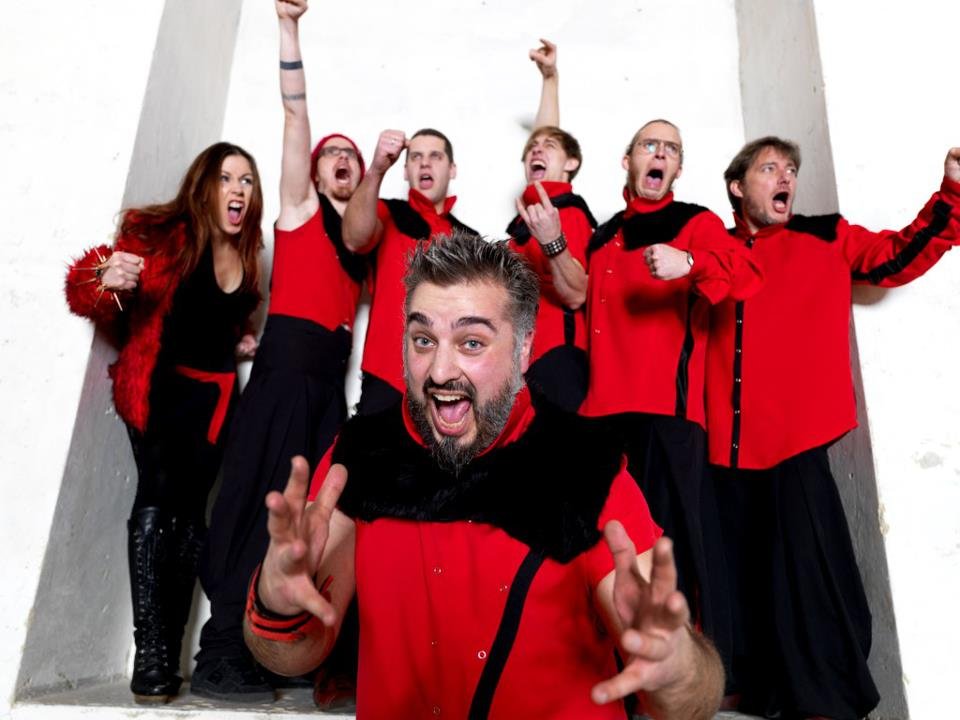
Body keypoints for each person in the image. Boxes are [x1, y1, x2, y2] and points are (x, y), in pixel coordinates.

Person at [243, 232, 724, 719]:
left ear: (523, 349)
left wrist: (675, 667)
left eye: (471, 342)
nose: (440, 372)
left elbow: (688, 704)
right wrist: (276, 602)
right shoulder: (360, 456)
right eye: (423, 340)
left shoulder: (587, 465)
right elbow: (290, 654)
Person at [706, 136, 960, 719]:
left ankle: (828, 700)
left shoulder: (825, 236)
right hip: (722, 444)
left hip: (795, 438)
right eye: (769, 167)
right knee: (740, 576)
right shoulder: (710, 248)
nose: (785, 177)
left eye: (790, 169)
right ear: (737, 187)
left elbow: (895, 257)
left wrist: (951, 194)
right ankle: (754, 687)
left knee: (813, 579)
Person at [190, 0, 366, 703]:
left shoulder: (360, 245)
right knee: (251, 502)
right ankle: (219, 652)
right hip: (285, 376)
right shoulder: (298, 210)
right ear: (315, 175)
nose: (341, 161)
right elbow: (296, 117)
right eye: (332, 156)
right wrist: (289, 29)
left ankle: (271, 647)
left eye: (352, 157)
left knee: (305, 520)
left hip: (325, 392)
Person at [64, 142, 263, 703]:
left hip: (216, 401)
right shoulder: (157, 234)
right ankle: (150, 654)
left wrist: (240, 340)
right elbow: (86, 289)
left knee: (192, 520)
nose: (238, 190)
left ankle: (169, 654)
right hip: (160, 390)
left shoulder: (247, 256)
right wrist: (105, 276)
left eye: (247, 181)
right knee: (156, 500)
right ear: (203, 186)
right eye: (227, 178)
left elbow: (220, 322)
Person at [580, 119, 763, 675]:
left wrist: (691, 263)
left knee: (676, 548)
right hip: (601, 418)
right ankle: (625, 672)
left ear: (678, 168)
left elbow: (747, 274)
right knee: (609, 549)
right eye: (649, 145)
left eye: (671, 149)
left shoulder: (695, 223)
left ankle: (694, 676)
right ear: (628, 160)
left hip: (667, 412)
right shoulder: (602, 237)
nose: (659, 154)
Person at [342, 126, 475, 415]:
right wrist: (377, 169)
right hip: (386, 376)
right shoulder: (387, 213)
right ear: (405, 171)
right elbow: (354, 238)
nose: (425, 163)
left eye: (435, 156)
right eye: (416, 157)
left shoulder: (470, 240)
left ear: (452, 169)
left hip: (448, 382)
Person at [507, 39, 597, 410]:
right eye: (531, 149)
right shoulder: (529, 217)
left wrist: (553, 242)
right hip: (522, 365)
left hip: (558, 361)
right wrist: (549, 80)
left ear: (571, 164)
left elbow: (577, 293)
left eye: (549, 147)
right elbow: (544, 144)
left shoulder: (567, 213)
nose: (536, 150)